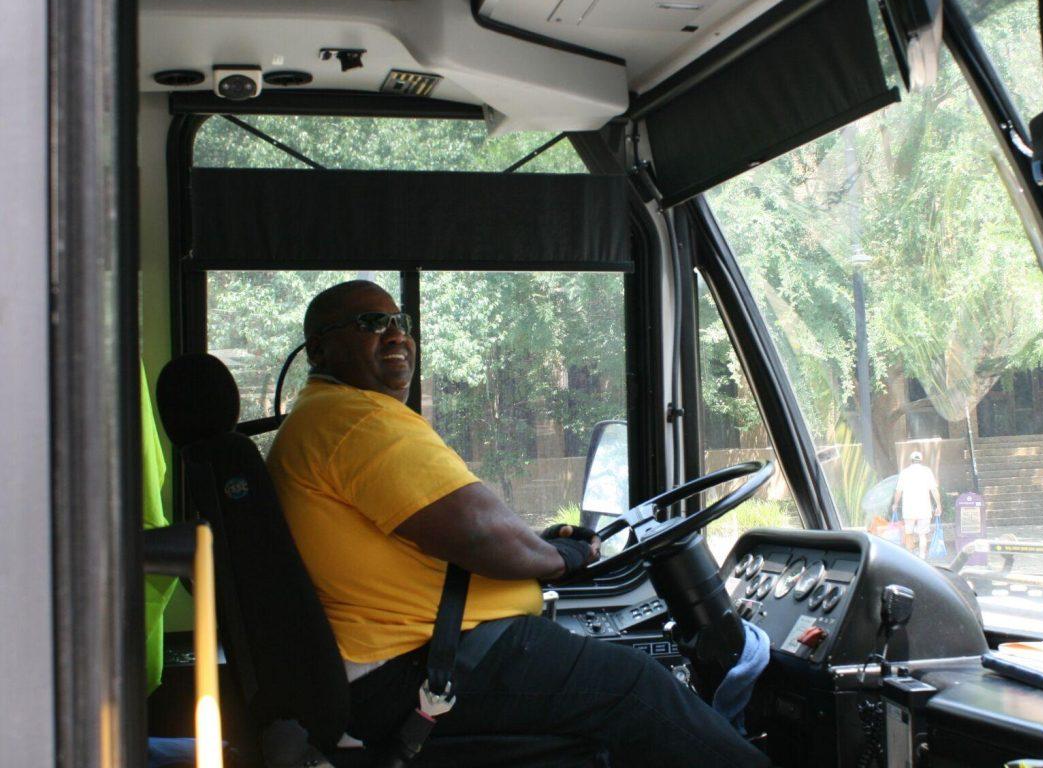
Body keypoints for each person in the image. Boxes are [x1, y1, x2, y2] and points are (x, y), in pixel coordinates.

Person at [266, 280, 769, 767]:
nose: (396, 334)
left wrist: (534, 547)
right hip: (423, 666)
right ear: (320, 350)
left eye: (401, 322)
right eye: (372, 323)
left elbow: (458, 528)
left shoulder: (329, 417)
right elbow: (479, 533)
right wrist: (555, 559)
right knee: (636, 688)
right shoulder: (355, 421)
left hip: (411, 656)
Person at [891, 451, 942, 559]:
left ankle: (911, 558)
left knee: (909, 533)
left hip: (909, 509)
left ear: (911, 460)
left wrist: (895, 504)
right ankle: (922, 557)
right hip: (924, 508)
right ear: (921, 460)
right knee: (922, 535)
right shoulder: (927, 471)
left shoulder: (904, 472)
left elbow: (898, 491)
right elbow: (934, 490)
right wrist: (938, 505)